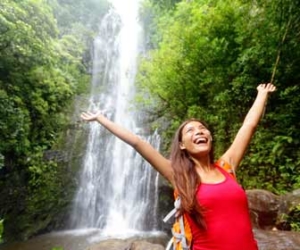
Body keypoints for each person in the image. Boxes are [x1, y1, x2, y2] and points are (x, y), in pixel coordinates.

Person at [80, 83, 276, 250]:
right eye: (190, 130)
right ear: (182, 144)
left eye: (202, 128)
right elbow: (138, 143)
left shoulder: (227, 165)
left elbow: (248, 126)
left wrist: (261, 94)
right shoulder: (178, 175)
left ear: (210, 137)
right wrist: (101, 119)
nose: (198, 131)